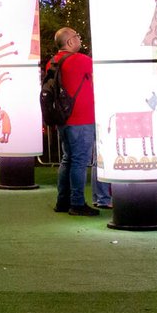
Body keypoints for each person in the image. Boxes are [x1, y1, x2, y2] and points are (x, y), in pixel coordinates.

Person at [48, 27, 100, 216]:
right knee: (79, 161)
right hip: (82, 118)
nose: (79, 39)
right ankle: (77, 203)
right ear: (70, 41)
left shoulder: (53, 62)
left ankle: (63, 201)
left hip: (63, 118)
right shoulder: (80, 60)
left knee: (68, 158)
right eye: (77, 36)